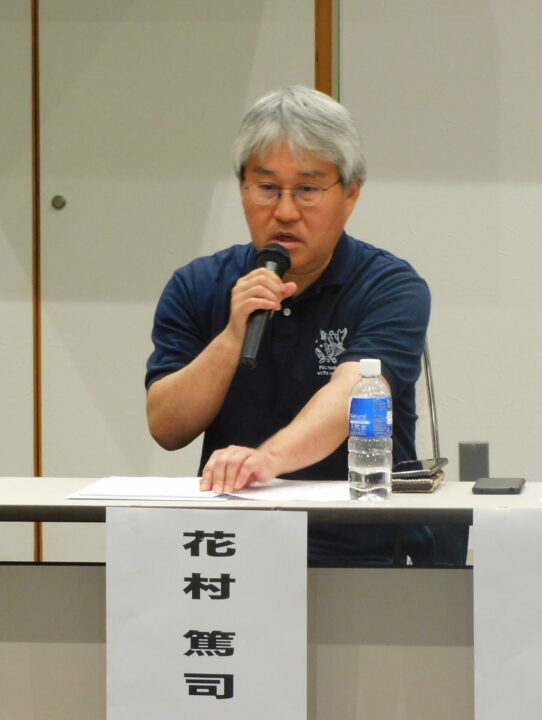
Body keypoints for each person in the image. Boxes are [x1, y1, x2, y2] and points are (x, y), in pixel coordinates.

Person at [146, 86, 453, 565]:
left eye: (308, 190)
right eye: (267, 188)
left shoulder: (389, 286)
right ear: (242, 189)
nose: (285, 211)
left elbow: (351, 395)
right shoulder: (198, 284)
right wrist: (232, 335)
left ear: (350, 194)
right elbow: (167, 427)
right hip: (235, 544)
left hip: (365, 548)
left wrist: (266, 460)